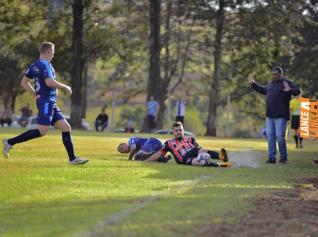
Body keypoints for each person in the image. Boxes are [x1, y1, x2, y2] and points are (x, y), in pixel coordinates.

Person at [2, 42, 88, 165]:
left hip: (50, 102)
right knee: (42, 131)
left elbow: (24, 82)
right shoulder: (45, 64)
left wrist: (35, 94)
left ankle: (72, 159)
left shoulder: (35, 65)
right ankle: (9, 142)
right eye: (53, 52)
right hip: (46, 102)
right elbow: (49, 82)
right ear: (48, 52)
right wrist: (65, 87)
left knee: (65, 127)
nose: (53, 54)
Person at [248, 66, 300, 164]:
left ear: (281, 74)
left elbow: (297, 91)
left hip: (281, 115)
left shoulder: (286, 82)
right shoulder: (271, 84)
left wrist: (290, 90)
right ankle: (272, 158)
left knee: (280, 137)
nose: (273, 76)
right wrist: (253, 84)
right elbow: (263, 90)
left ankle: (283, 157)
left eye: (275, 74)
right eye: (272, 74)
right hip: (270, 115)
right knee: (270, 136)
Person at [146, 122, 229, 167]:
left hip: (193, 150)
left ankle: (221, 156)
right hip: (184, 158)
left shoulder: (190, 139)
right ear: (173, 132)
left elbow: (199, 149)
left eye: (180, 130)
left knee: (202, 151)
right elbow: (159, 154)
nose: (179, 132)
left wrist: (202, 153)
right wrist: (147, 161)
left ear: (183, 130)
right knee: (200, 162)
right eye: (176, 130)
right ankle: (219, 165)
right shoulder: (169, 143)